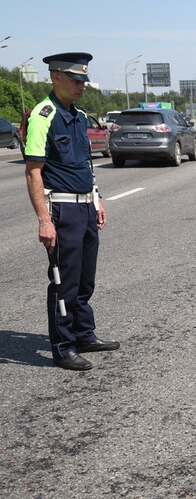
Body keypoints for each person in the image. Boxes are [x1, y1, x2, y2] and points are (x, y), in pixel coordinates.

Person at [23, 52, 120, 371]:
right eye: (76, 80)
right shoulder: (43, 115)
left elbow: (84, 164)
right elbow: (34, 171)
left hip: (86, 207)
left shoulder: (78, 116)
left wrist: (97, 198)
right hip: (61, 209)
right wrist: (44, 220)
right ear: (56, 78)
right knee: (64, 282)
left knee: (84, 280)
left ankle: (83, 334)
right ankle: (63, 347)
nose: (81, 86)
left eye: (84, 81)